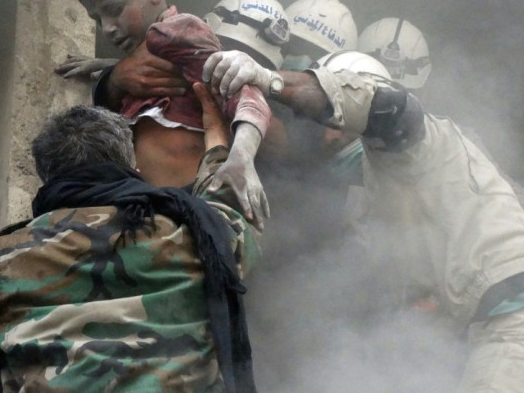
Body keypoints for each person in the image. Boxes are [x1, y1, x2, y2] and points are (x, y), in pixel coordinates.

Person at [202, 49, 524, 390]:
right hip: (485, 325)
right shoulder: (383, 177)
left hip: (511, 320)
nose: (329, 134)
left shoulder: (418, 138)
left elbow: (387, 107)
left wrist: (270, 81)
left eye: (334, 119)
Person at [0, 90, 261, 391]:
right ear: (132, 166)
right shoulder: (193, 235)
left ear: (48, 179)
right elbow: (232, 207)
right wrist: (216, 133)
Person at [66, 0, 272, 222]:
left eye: (114, 10)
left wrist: (242, 158)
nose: (108, 28)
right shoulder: (144, 59)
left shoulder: (180, 31)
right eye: (97, 19)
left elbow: (247, 95)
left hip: (193, 212)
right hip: (154, 215)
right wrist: (110, 71)